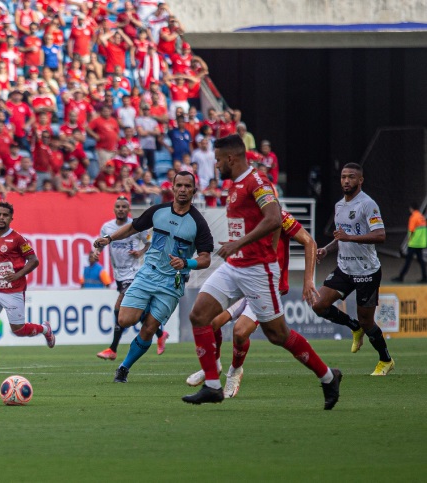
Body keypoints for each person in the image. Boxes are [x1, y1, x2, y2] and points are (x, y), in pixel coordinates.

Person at [183, 135, 341, 409]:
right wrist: (236, 246)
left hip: (258, 270)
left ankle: (327, 377)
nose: (216, 165)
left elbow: (272, 218)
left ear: (231, 158)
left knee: (277, 335)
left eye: (218, 159)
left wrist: (238, 243)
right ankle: (212, 385)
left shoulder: (257, 183)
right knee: (199, 315)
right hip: (234, 266)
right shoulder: (236, 184)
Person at [93, 171, 213, 383]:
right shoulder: (158, 211)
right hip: (148, 274)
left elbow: (205, 258)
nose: (183, 189)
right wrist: (109, 238)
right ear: (172, 188)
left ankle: (123, 368)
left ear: (194, 191)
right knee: (124, 319)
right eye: (180, 185)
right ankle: (148, 311)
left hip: (171, 283)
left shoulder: (198, 223)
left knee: (149, 329)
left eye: (188, 186)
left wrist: (187, 263)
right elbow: (132, 228)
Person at [186, 208, 319, 398]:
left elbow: (309, 241)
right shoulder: (247, 216)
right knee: (211, 322)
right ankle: (213, 367)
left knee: (240, 332)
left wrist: (308, 280)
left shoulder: (278, 216)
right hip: (243, 278)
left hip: (266, 285)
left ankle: (234, 371)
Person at [312, 163, 394, 376]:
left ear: (360, 180)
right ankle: (353, 326)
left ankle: (385, 360)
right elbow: (341, 237)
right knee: (318, 304)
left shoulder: (368, 204)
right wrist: (326, 250)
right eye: (343, 177)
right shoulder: (340, 206)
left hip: (366, 271)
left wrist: (350, 238)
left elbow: (380, 235)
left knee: (368, 321)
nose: (346, 181)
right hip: (344, 268)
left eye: (351, 177)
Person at [0, 202, 56, 374]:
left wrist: (17, 275)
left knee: (19, 330)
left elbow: (34, 261)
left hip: (13, 290)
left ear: (11, 218)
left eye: (5, 215)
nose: (1, 218)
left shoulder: (18, 239)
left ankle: (45, 329)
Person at [94, 196, 170, 360]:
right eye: (118, 206)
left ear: (128, 210)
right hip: (119, 275)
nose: (121, 209)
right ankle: (160, 333)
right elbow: (102, 244)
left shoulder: (136, 226)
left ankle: (113, 349)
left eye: (123, 207)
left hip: (134, 272)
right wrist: (96, 251)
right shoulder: (107, 227)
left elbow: (149, 242)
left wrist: (141, 252)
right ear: (114, 209)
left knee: (118, 307)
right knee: (138, 311)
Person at [392, 203, 427, 283]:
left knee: (408, 260)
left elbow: (411, 230)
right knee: (420, 260)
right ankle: (424, 277)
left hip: (413, 243)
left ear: (411, 209)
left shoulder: (413, 217)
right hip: (420, 243)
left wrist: (408, 241)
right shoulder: (422, 217)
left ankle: (401, 277)